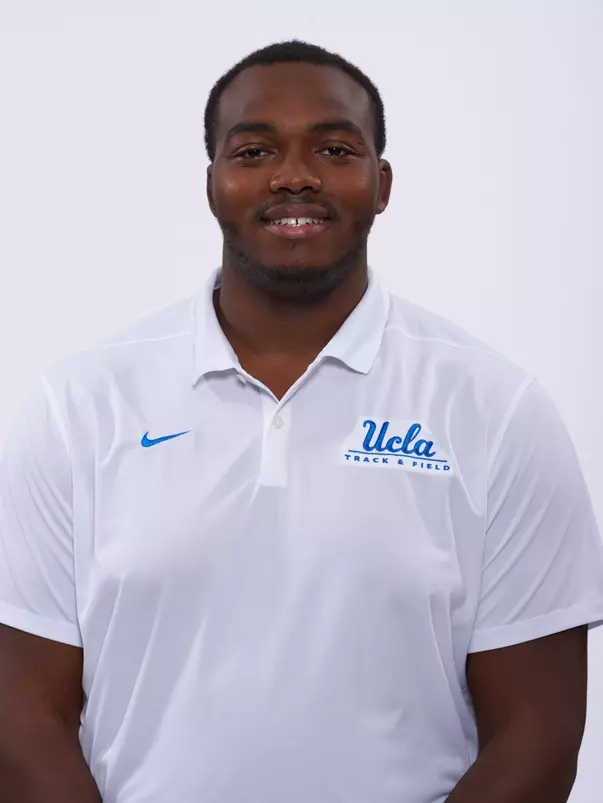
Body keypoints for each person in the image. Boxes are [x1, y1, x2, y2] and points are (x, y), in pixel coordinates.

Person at [0, 38, 602, 803]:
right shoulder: (80, 404)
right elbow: (20, 715)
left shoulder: (494, 408)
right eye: (254, 150)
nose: (294, 175)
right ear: (213, 183)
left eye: (333, 147)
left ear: (380, 184)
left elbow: (539, 732)